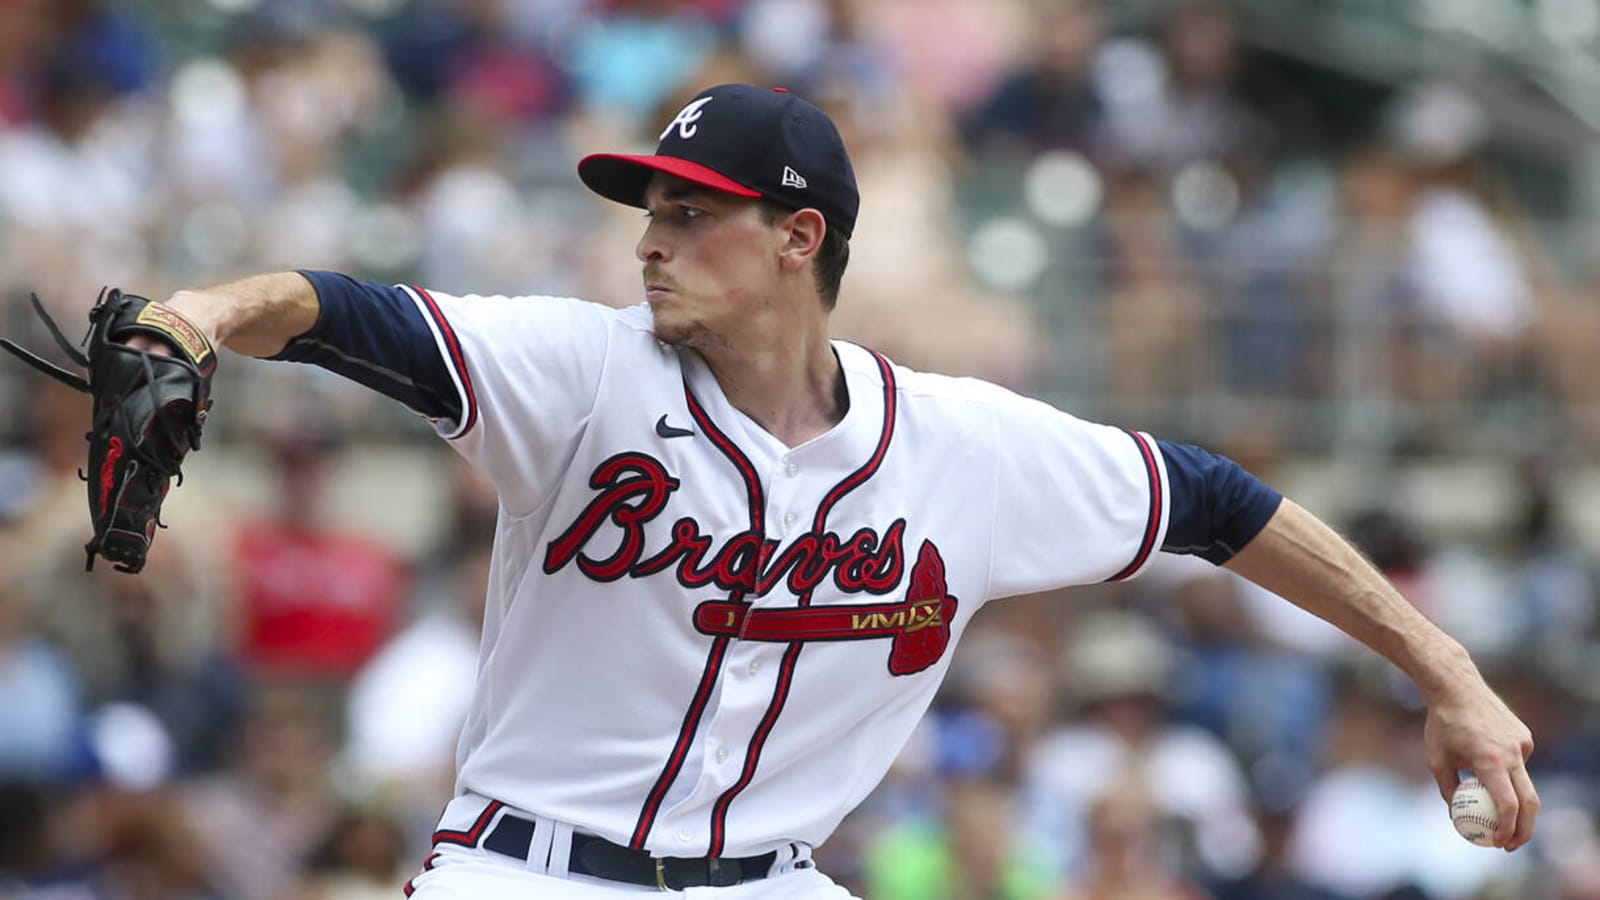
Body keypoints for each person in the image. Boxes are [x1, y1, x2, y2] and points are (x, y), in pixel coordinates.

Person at [127, 83, 1537, 898]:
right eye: (650, 213)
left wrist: (1448, 673)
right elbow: (327, 310)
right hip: (529, 872)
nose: (652, 243)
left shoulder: (962, 448)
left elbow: (1217, 503)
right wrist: (200, 313)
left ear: (799, 236)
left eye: (692, 213)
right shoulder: (576, 370)